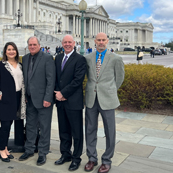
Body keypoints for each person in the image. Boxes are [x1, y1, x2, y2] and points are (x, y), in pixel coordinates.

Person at [84, 33, 125, 173]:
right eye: (98, 40)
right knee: (90, 129)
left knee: (110, 131)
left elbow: (119, 78)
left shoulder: (116, 58)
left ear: (107, 41)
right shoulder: (88, 58)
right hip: (91, 99)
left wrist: (109, 90)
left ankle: (107, 160)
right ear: (94, 41)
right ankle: (92, 158)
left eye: (103, 40)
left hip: (107, 99)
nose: (101, 42)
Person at [19, 36, 55, 166]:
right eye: (30, 45)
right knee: (30, 126)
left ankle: (43, 152)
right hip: (30, 99)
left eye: (34, 44)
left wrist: (48, 98)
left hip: (43, 100)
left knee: (44, 127)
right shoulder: (26, 58)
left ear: (39, 45)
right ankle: (29, 150)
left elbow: (51, 80)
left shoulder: (47, 58)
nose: (32, 47)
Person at [53, 35, 86, 171]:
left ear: (74, 44)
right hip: (60, 101)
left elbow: (78, 80)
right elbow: (55, 77)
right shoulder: (59, 57)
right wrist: (57, 93)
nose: (67, 44)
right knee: (63, 130)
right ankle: (65, 154)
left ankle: (76, 158)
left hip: (73, 101)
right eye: (65, 42)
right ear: (62, 44)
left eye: (69, 42)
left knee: (76, 132)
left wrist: (63, 93)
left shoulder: (80, 59)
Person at [0, 42, 26, 162]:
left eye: (13, 49)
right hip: (5, 99)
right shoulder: (1, 65)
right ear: (5, 52)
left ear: (16, 51)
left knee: (9, 124)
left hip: (17, 98)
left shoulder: (20, 65)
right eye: (9, 49)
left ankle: (5, 148)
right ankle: (1, 150)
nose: (11, 51)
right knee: (5, 126)